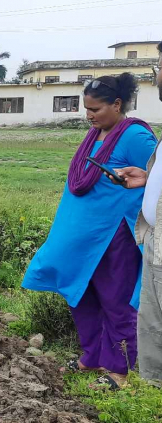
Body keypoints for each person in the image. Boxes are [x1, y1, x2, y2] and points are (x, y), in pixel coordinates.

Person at [22, 73, 157, 390]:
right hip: (79, 238)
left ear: (118, 104)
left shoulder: (135, 136)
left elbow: (156, 176)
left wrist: (139, 179)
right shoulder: (95, 135)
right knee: (80, 294)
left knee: (116, 300)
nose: (89, 115)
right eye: (87, 109)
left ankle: (119, 370)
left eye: (95, 109)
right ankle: (93, 354)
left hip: (112, 238)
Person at [104, 43, 162, 387]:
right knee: (154, 339)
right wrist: (148, 178)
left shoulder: (136, 133)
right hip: (155, 246)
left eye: (159, 66)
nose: (157, 74)